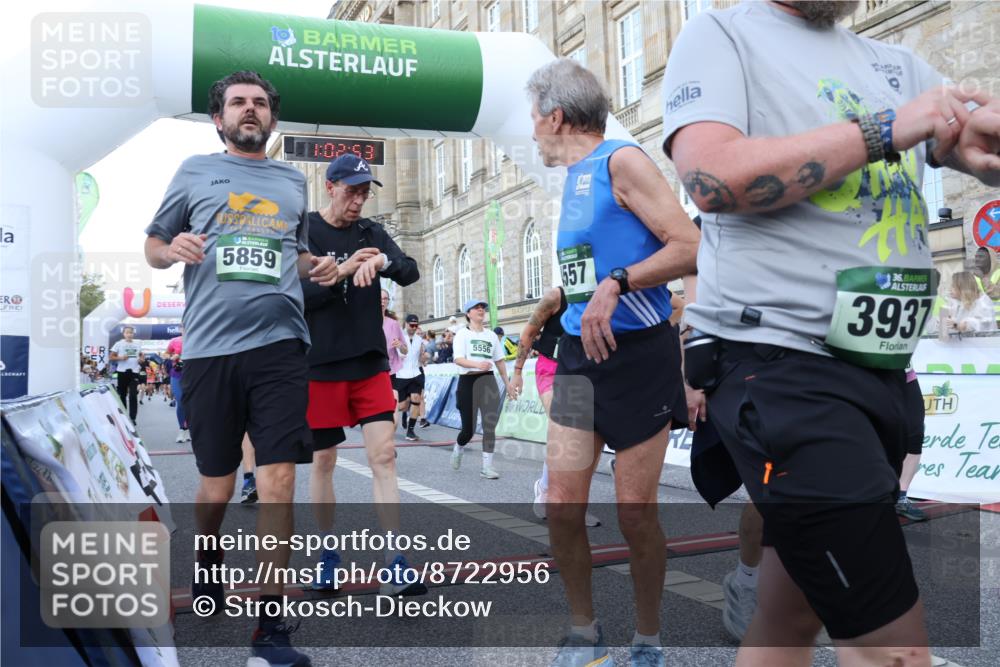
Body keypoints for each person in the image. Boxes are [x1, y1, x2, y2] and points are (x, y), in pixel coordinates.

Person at [664, 1, 1000, 664]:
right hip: (784, 369)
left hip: (876, 372)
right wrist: (888, 127)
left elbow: (961, 137)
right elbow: (712, 176)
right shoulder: (722, 34)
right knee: (891, 648)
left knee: (789, 616)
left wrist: (982, 136)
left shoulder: (895, 63)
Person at [144, 69, 339, 666]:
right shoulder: (194, 172)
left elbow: (293, 253)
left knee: (278, 477)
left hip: (281, 346)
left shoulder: (290, 180)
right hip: (208, 350)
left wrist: (318, 267)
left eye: (259, 103)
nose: (249, 110)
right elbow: (153, 245)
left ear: (271, 117)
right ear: (219, 118)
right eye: (238, 103)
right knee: (217, 482)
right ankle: (208, 555)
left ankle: (270, 626)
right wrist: (170, 249)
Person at [527, 58, 699, 667]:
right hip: (578, 362)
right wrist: (561, 300)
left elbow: (689, 246)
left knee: (633, 513)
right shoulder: (570, 180)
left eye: (533, 119)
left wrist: (618, 283)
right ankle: (582, 629)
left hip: (639, 361)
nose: (530, 132)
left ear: (555, 115)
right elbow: (585, 274)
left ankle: (648, 638)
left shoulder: (621, 161)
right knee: (563, 504)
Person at [299, 152, 423, 596]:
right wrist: (346, 271)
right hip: (321, 365)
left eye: (365, 192)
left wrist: (383, 263)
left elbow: (410, 270)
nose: (359, 200)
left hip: (369, 361)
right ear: (330, 187)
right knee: (324, 461)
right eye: (352, 191)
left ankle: (395, 560)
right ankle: (327, 553)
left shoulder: (372, 232)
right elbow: (296, 295)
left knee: (384, 457)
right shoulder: (306, 230)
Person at [509, 286, 600, 528]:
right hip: (550, 369)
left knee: (582, 438)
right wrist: (517, 373)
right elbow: (528, 333)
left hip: (583, 372)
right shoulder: (555, 297)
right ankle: (547, 490)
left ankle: (573, 501)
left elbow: (675, 304)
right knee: (564, 424)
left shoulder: (608, 293)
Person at [451, 299, 512, 479]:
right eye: (476, 308)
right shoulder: (462, 334)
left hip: (487, 381)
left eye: (483, 308)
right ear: (468, 313)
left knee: (489, 425)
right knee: (468, 431)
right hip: (468, 381)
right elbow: (458, 359)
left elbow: (499, 361)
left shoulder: (491, 335)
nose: (481, 310)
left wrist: (508, 384)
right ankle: (459, 447)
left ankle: (487, 467)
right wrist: (478, 364)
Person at [395, 314, 429, 441]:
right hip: (401, 374)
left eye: (416, 325)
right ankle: (405, 412)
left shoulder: (419, 340)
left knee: (416, 398)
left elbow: (421, 358)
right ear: (406, 323)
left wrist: (424, 357)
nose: (414, 327)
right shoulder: (398, 336)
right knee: (402, 406)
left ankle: (410, 431)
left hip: (415, 373)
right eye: (412, 325)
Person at [940, 270, 997, 335]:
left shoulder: (983, 302)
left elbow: (980, 324)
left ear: (963, 287)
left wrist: (958, 325)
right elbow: (942, 334)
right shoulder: (955, 302)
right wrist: (943, 317)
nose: (950, 289)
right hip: (961, 344)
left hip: (984, 343)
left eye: (953, 286)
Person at [382, 289, 408, 429]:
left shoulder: (393, 324)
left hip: (390, 371)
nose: (383, 301)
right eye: (380, 298)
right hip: (372, 371)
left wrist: (400, 345)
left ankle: (389, 438)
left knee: (393, 410)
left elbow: (405, 349)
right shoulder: (367, 321)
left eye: (386, 299)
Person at [109, 326, 142, 421]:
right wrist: (121, 358)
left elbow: (141, 357)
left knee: (133, 394)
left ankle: (132, 418)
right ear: (124, 334)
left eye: (131, 332)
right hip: (122, 372)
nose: (129, 334)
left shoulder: (137, 344)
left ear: (133, 334)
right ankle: (124, 417)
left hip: (134, 372)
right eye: (127, 332)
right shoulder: (118, 344)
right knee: (122, 394)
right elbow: (111, 357)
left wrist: (141, 360)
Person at [165, 330, 189, 442]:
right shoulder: (174, 340)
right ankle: (182, 429)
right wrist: (172, 357)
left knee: (191, 403)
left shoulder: (198, 338)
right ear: (181, 328)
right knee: (180, 400)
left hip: (193, 374)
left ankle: (188, 428)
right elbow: (166, 354)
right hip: (177, 374)